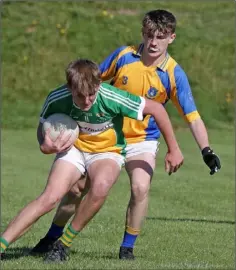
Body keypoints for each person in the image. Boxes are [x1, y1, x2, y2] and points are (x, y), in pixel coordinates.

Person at [28, 9, 221, 260]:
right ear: (143, 33)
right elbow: (92, 81)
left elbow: (192, 116)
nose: (153, 42)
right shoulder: (123, 56)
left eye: (160, 37)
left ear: (171, 38)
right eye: (150, 35)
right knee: (76, 189)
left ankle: (127, 248)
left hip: (142, 141)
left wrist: (206, 150)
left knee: (141, 186)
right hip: (106, 136)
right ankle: (52, 237)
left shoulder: (174, 74)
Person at [0, 58, 184, 262]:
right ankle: (2, 245)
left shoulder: (111, 96)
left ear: (98, 86)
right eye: (80, 96)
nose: (87, 101)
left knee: (101, 186)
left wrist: (173, 149)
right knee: (50, 198)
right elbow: (42, 127)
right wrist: (45, 145)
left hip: (107, 151)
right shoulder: (56, 98)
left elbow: (157, 109)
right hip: (75, 148)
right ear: (70, 88)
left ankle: (62, 245)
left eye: (91, 95)